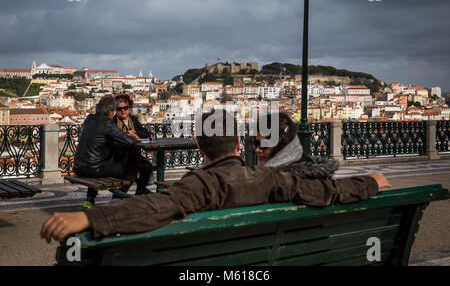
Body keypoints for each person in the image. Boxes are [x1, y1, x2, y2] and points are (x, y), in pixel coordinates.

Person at [41, 110, 391, 243]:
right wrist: (371, 181)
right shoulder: (270, 180)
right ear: (240, 142)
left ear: (198, 144)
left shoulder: (199, 185)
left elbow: (157, 206)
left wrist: (88, 216)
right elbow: (326, 191)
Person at [72, 95, 141, 207]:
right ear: (110, 110)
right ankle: (115, 201)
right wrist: (135, 137)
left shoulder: (89, 119)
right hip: (93, 168)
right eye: (114, 110)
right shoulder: (107, 123)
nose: (114, 113)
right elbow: (128, 140)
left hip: (79, 167)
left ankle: (89, 200)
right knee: (132, 170)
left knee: (100, 164)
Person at [255, 113, 338, 179]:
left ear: (282, 147)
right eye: (256, 143)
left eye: (263, 145)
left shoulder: (292, 182)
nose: (257, 150)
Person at [112, 94, 153, 195]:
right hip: (120, 156)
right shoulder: (112, 122)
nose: (123, 111)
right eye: (119, 109)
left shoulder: (133, 119)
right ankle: (119, 197)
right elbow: (112, 139)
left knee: (147, 167)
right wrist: (126, 135)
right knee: (132, 173)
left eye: (125, 108)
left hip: (134, 155)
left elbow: (145, 133)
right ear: (116, 110)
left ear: (129, 108)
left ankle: (139, 193)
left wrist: (134, 133)